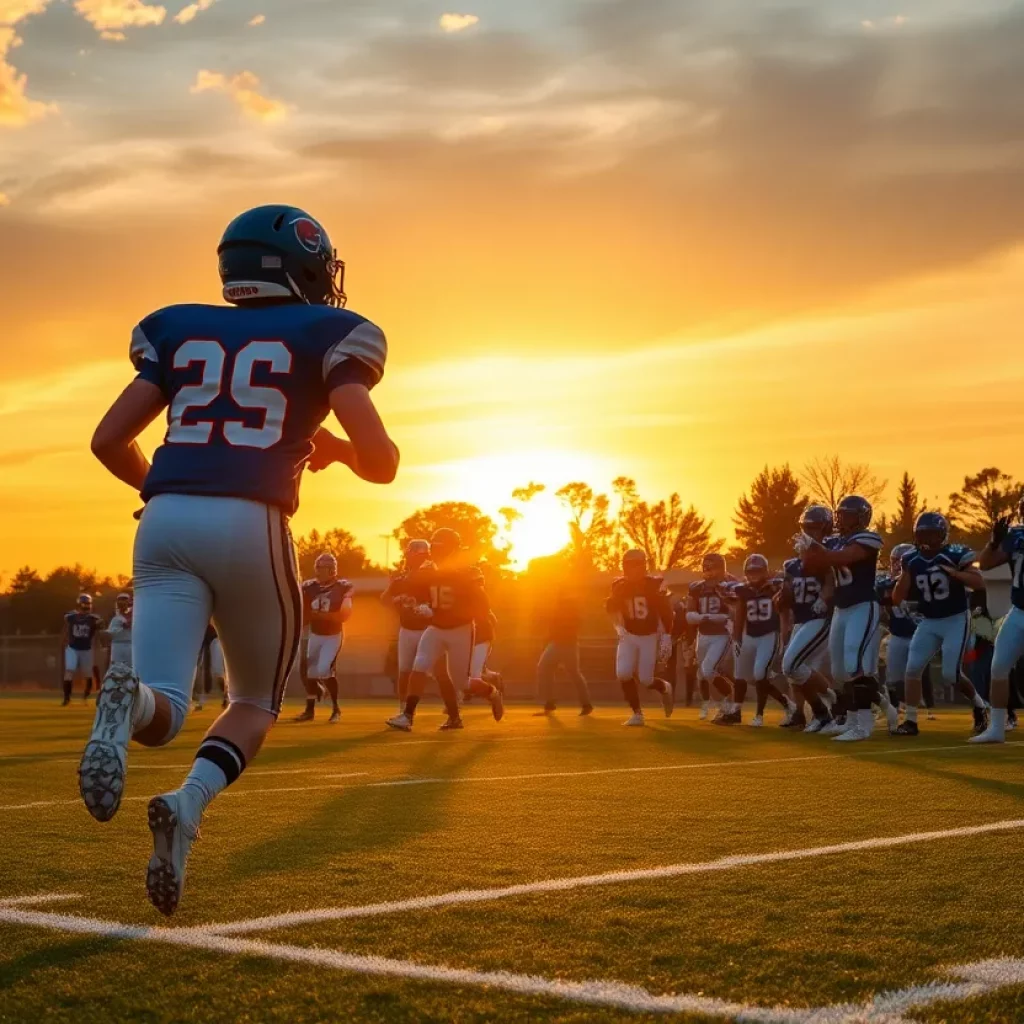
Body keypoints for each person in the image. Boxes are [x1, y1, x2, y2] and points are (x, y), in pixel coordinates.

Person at [80, 203, 397, 916]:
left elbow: (107, 441)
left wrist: (172, 487)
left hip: (162, 519)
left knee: (163, 709)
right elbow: (382, 464)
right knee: (254, 701)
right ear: (305, 263)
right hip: (252, 519)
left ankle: (135, 717)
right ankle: (190, 800)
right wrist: (342, 450)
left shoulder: (177, 326)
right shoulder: (332, 331)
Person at [387, 529, 500, 732]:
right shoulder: (428, 570)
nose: (436, 552)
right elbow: (413, 588)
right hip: (436, 628)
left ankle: (492, 692)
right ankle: (407, 716)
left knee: (463, 683)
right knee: (419, 664)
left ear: (452, 549)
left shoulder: (467, 572)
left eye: (440, 548)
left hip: (460, 630)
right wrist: (417, 603)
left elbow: (481, 602)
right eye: (435, 548)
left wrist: (474, 616)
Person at [796, 495, 883, 742]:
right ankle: (852, 721)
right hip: (841, 608)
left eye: (848, 514)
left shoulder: (868, 538)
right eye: (841, 513)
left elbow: (843, 558)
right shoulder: (835, 541)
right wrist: (808, 550)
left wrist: (814, 548)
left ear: (861, 517)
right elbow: (809, 567)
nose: (842, 518)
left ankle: (864, 724)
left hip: (863, 605)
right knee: (839, 670)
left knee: (854, 662)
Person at [893, 513, 988, 736]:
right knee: (912, 668)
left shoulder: (955, 554)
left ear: (942, 535)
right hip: (929, 621)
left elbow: (979, 582)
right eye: (923, 534)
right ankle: (911, 721)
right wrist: (902, 577)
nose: (927, 539)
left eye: (932, 534)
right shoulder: (912, 559)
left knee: (950, 674)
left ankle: (980, 706)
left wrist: (955, 573)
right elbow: (898, 597)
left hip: (955, 618)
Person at [971, 497, 1024, 743]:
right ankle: (997, 728)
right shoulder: (1016, 536)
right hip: (1019, 610)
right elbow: (986, 563)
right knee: (998, 667)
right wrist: (994, 541)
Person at [780, 506, 835, 732]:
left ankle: (834, 702)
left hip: (819, 619)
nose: (809, 532)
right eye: (806, 528)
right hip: (801, 620)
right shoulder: (791, 565)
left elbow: (832, 579)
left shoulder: (827, 553)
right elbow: (787, 597)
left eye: (814, 527)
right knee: (795, 674)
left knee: (791, 665)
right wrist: (782, 595)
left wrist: (823, 597)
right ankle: (821, 714)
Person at [606, 549, 674, 726]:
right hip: (628, 635)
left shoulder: (655, 584)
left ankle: (664, 687)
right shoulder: (619, 585)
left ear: (643, 566)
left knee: (645, 679)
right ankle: (637, 713)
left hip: (648, 635)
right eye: (628, 566)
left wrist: (666, 635)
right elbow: (612, 609)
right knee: (623, 673)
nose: (632, 570)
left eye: (635, 566)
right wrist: (618, 627)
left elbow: (666, 612)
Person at [731, 555, 794, 727]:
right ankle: (787, 704)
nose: (753, 575)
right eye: (750, 572)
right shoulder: (744, 591)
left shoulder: (775, 587)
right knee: (747, 676)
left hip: (768, 635)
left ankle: (759, 715)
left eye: (757, 571)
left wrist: (784, 636)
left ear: (765, 571)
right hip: (750, 635)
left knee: (760, 673)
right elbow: (740, 615)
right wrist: (736, 638)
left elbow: (784, 611)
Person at [296, 553, 354, 724]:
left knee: (323, 670)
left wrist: (319, 616)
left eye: (321, 568)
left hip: (332, 636)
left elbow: (342, 616)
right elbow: (300, 606)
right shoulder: (308, 586)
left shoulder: (342, 587)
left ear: (331, 570)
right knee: (310, 672)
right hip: (315, 634)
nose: (317, 571)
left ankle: (336, 709)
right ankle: (309, 710)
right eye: (317, 568)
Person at [686, 552, 736, 722]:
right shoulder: (697, 587)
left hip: (722, 635)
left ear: (721, 568)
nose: (708, 572)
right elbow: (689, 614)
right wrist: (701, 618)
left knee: (709, 670)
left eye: (711, 568)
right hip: (703, 634)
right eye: (706, 568)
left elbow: (735, 612)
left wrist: (722, 618)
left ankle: (732, 703)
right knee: (704, 673)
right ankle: (724, 707)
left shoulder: (731, 585)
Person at [535, 580, 593, 716]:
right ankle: (549, 703)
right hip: (555, 642)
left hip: (568, 643)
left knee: (573, 673)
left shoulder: (569, 604)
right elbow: (551, 624)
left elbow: (576, 622)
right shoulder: (554, 605)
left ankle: (586, 704)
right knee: (543, 667)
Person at [876, 544, 917, 710]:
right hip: (898, 634)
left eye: (901, 562)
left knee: (913, 674)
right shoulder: (884, 584)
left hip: (919, 634)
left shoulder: (921, 582)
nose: (897, 565)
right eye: (895, 561)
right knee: (892, 679)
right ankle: (894, 708)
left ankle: (911, 709)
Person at [62, 594, 102, 705]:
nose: (86, 607)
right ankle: (66, 698)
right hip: (73, 648)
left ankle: (85, 695)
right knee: (69, 670)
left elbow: (99, 625)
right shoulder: (71, 616)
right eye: (84, 604)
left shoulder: (93, 619)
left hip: (86, 649)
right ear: (79, 605)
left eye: (87, 604)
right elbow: (66, 616)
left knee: (88, 674)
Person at [966, 589, 997, 704]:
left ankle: (982, 700)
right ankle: (982, 699)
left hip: (982, 648)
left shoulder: (980, 615)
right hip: (980, 648)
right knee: (978, 674)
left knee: (980, 674)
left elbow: (984, 637)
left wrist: (976, 652)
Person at [104, 593, 134, 671]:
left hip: (130, 644)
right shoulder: (115, 617)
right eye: (121, 601)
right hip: (117, 645)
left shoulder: (134, 616)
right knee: (116, 669)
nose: (122, 604)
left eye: (125, 601)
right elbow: (110, 633)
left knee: (130, 668)